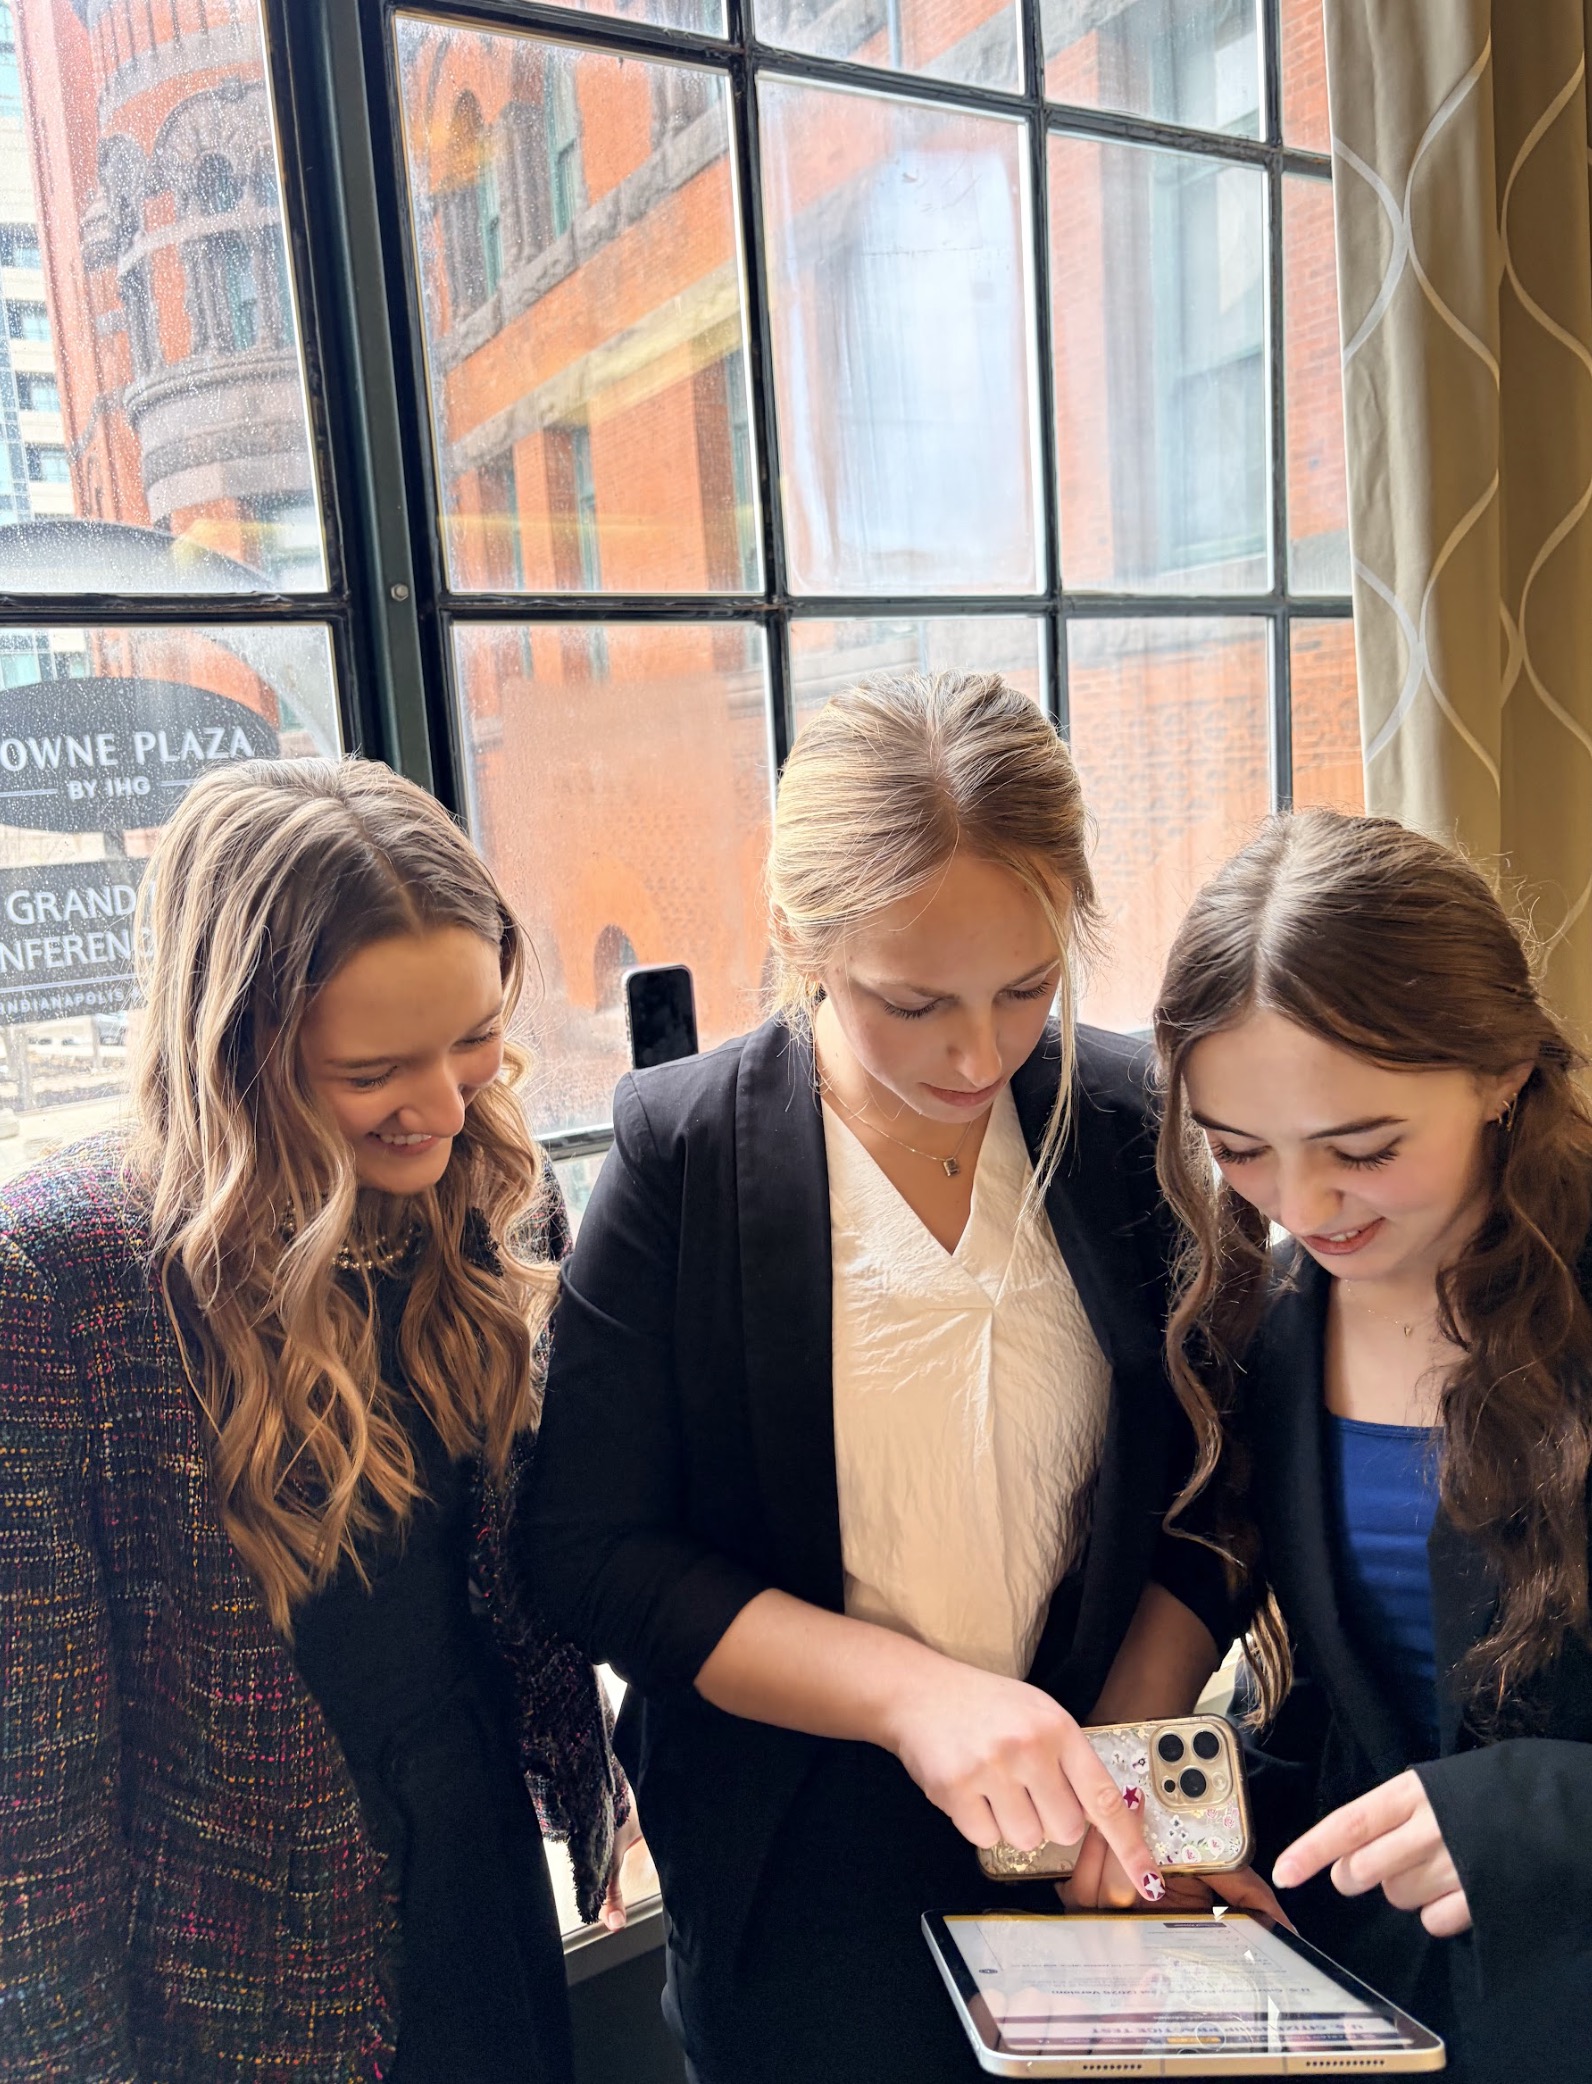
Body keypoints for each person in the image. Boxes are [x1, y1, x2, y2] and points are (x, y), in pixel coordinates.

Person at [524, 671, 1244, 2084]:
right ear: (797, 938)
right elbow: (586, 1552)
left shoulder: (1120, 1125)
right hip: (797, 1857)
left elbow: (1222, 1477)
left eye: (1028, 988)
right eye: (911, 1002)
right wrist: (914, 1696)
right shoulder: (683, 1155)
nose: (979, 1054)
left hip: (1086, 1827)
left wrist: (1122, 1743)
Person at [0, 759, 632, 2084]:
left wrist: (598, 1778)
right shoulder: (61, 1279)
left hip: (480, 1873)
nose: (448, 1109)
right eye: (371, 1070)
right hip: (231, 1973)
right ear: (232, 1046)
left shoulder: (487, 1193)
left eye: (474, 1041)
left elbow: (515, 1573)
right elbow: (31, 1802)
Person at [1154, 807, 1592, 2084]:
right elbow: (1360, 1690)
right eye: (1238, 1151)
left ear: (1501, 1067)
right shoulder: (1278, 1327)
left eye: (1362, 1149)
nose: (1301, 1205)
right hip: (1374, 1997)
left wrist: (1535, 1815)